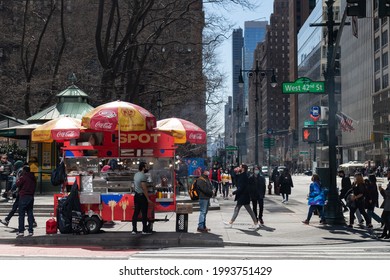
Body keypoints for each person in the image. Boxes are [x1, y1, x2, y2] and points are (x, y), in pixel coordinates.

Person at [225, 164, 258, 229]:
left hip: (243, 196)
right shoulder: (242, 175)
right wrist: (235, 171)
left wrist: (233, 193)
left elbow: (241, 187)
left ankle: (231, 223)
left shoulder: (244, 176)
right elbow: (235, 178)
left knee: (242, 209)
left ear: (242, 169)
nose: (238, 168)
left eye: (239, 167)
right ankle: (255, 223)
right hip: (243, 196)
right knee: (240, 209)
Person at [131, 162, 154, 235]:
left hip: (136, 196)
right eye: (146, 166)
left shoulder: (136, 175)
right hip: (142, 196)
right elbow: (144, 188)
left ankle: (134, 230)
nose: (147, 168)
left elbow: (133, 186)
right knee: (144, 214)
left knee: (136, 213)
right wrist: (147, 199)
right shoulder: (143, 176)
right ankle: (144, 230)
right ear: (143, 168)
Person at [16, 166, 36, 237]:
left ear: (24, 171)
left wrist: (19, 178)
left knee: (21, 214)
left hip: (23, 196)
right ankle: (31, 231)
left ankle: (21, 231)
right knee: (30, 213)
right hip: (31, 196)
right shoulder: (33, 178)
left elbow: (17, 184)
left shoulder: (23, 177)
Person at [196, 168, 214, 233]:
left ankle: (203, 226)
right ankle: (200, 227)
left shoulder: (206, 178)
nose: (208, 172)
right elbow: (204, 189)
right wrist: (211, 192)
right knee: (203, 212)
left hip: (206, 197)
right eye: (207, 171)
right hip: (203, 198)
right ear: (204, 172)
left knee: (205, 212)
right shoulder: (201, 180)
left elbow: (209, 187)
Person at [379, 171, 390, 239]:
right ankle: (384, 233)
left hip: (389, 205)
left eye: (389, 174)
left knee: (384, 217)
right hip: (387, 203)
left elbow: (388, 193)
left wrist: (383, 190)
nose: (387, 175)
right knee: (386, 218)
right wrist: (382, 191)